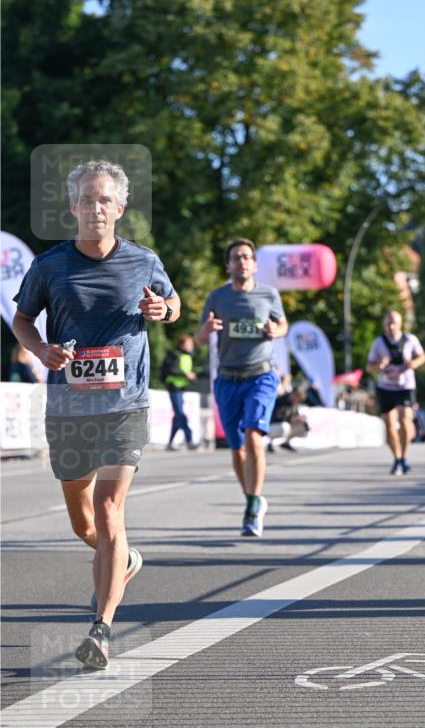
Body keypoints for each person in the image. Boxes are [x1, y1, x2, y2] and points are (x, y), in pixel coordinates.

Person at [12, 159, 179, 670]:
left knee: (109, 510)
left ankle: (101, 629)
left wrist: (162, 311)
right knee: (84, 522)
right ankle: (125, 561)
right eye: (86, 199)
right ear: (73, 208)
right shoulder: (50, 265)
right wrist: (41, 351)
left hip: (125, 403)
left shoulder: (143, 261)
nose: (95, 208)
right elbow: (21, 319)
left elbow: (173, 305)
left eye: (104, 199)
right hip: (68, 408)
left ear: (120, 208)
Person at [195, 237, 288, 537]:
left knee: (253, 437)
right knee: (238, 451)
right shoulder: (217, 297)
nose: (242, 261)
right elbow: (198, 336)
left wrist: (276, 329)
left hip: (260, 375)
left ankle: (250, 512)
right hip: (227, 379)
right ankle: (254, 499)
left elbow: (282, 324)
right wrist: (206, 330)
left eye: (247, 257)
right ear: (229, 264)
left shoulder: (269, 295)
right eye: (236, 257)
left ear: (255, 264)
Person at [366, 310, 425, 474]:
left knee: (406, 420)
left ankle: (404, 456)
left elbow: (422, 357)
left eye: (394, 323)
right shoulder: (378, 343)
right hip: (385, 388)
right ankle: (397, 457)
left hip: (405, 387)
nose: (391, 326)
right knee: (389, 424)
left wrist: (412, 364)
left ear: (400, 324)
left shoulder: (410, 339)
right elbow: (369, 366)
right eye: (388, 323)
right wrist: (379, 365)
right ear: (384, 324)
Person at [163, 335, 197, 450]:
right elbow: (172, 370)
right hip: (174, 387)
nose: (191, 347)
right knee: (181, 415)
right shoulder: (175, 355)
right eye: (189, 344)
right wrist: (185, 375)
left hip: (181, 388)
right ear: (182, 345)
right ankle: (190, 439)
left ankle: (170, 443)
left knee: (178, 416)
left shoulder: (188, 357)